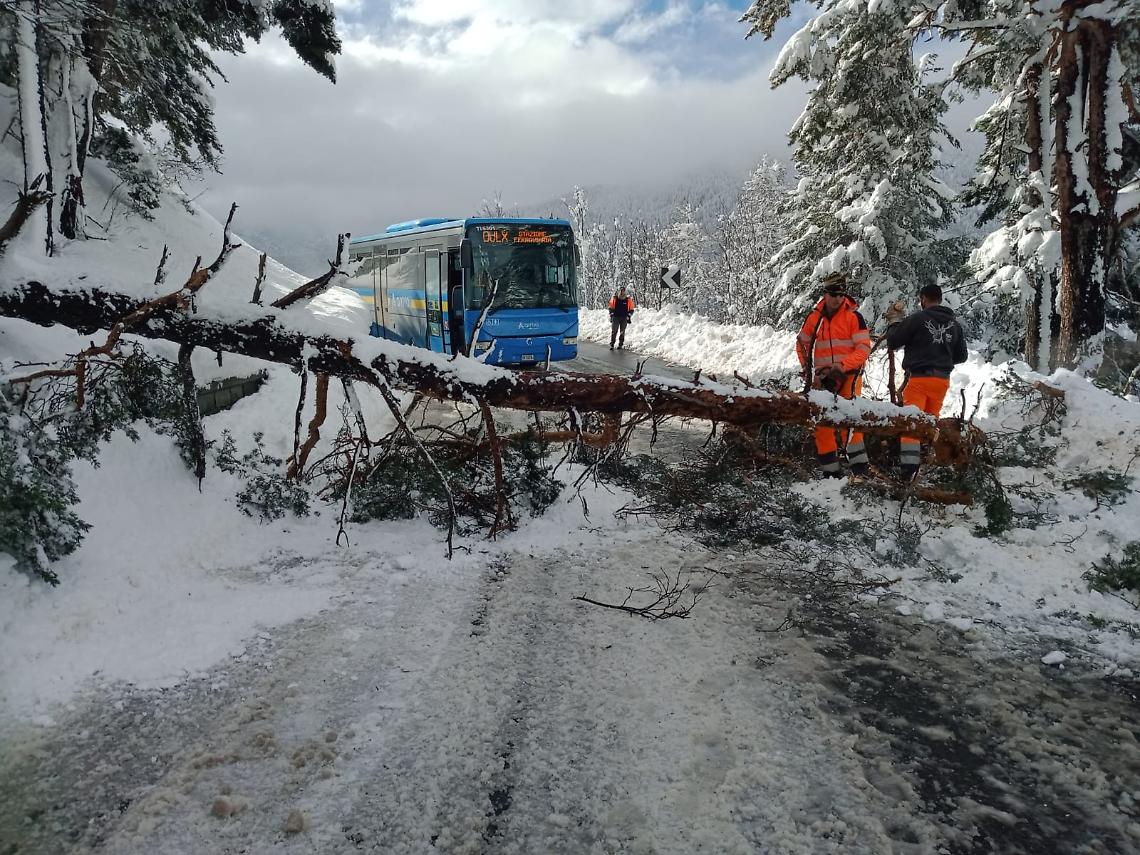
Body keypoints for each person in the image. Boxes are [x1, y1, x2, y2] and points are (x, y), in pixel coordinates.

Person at [885, 283, 968, 480]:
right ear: (940, 299)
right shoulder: (954, 325)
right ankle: (928, 467)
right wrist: (942, 356)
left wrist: (894, 321)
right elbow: (962, 356)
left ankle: (908, 474)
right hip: (941, 382)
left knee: (911, 426)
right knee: (930, 425)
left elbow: (893, 341)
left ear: (923, 298)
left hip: (920, 379)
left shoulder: (917, 319)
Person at [796, 272, 872, 477]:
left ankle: (861, 472)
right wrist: (808, 371)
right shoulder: (815, 317)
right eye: (833, 294)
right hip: (822, 380)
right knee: (822, 424)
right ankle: (831, 473)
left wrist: (843, 365)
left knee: (850, 422)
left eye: (841, 294)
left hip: (849, 376)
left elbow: (864, 348)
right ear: (825, 293)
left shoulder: (853, 316)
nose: (837, 298)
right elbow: (801, 343)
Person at [608, 285, 636, 350]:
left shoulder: (628, 300)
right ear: (618, 291)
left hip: (624, 318)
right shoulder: (615, 298)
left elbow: (631, 309)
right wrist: (611, 314)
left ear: (625, 292)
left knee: (622, 331)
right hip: (615, 317)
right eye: (620, 291)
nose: (621, 292)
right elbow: (610, 307)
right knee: (614, 331)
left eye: (623, 291)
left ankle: (620, 344)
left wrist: (629, 315)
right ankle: (612, 344)